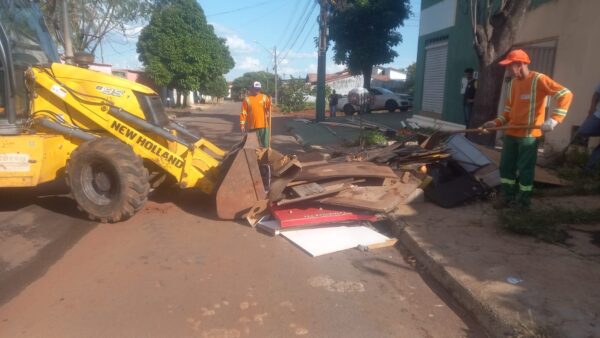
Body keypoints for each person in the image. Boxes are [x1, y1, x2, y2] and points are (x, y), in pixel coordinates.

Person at [480, 49, 573, 209]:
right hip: (511, 133)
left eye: (510, 65)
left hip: (528, 136)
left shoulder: (538, 79)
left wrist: (554, 119)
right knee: (506, 167)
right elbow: (508, 112)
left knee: (525, 169)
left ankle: (523, 202)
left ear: (521, 64)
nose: (507, 69)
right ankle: (507, 197)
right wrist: (495, 123)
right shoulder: (513, 83)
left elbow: (566, 94)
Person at [576, 82, 600, 171]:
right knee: (583, 131)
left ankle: (589, 170)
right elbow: (596, 94)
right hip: (598, 115)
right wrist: (592, 108)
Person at [240, 81, 271, 148]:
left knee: (265, 145)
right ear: (252, 88)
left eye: (258, 89)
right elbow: (243, 113)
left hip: (264, 126)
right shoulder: (247, 99)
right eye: (256, 88)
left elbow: (270, 108)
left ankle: (265, 158)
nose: (257, 90)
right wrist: (242, 125)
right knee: (254, 146)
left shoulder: (264, 97)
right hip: (252, 127)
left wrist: (270, 105)